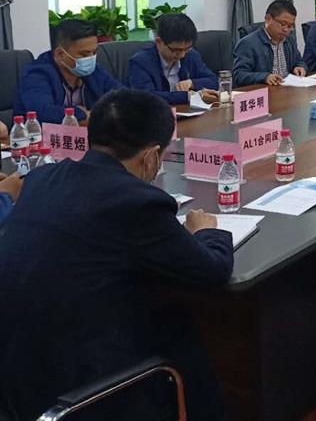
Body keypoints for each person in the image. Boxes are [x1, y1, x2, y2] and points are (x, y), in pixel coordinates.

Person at [0, 90, 234, 421]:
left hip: (13, 383)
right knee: (181, 329)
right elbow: (213, 271)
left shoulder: (41, 179)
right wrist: (206, 231)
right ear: (151, 157)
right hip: (74, 396)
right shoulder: (137, 203)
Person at [15, 18, 122, 123]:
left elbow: (123, 97)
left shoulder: (94, 71)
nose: (91, 58)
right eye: (84, 54)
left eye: (94, 52)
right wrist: (83, 114)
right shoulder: (36, 74)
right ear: (60, 54)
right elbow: (43, 113)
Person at [128, 12, 219, 106]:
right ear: (159, 42)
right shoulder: (140, 62)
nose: (182, 55)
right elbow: (145, 97)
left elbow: (214, 81)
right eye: (176, 50)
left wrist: (193, 83)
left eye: (187, 49)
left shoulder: (191, 55)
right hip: (157, 113)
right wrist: (189, 96)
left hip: (186, 112)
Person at [233, 0, 307, 86]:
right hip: (265, 91)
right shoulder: (247, 44)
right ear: (268, 19)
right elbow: (239, 75)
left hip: (288, 89)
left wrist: (300, 67)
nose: (286, 29)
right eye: (282, 24)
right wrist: (264, 77)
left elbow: (299, 60)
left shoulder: (289, 40)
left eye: (290, 26)